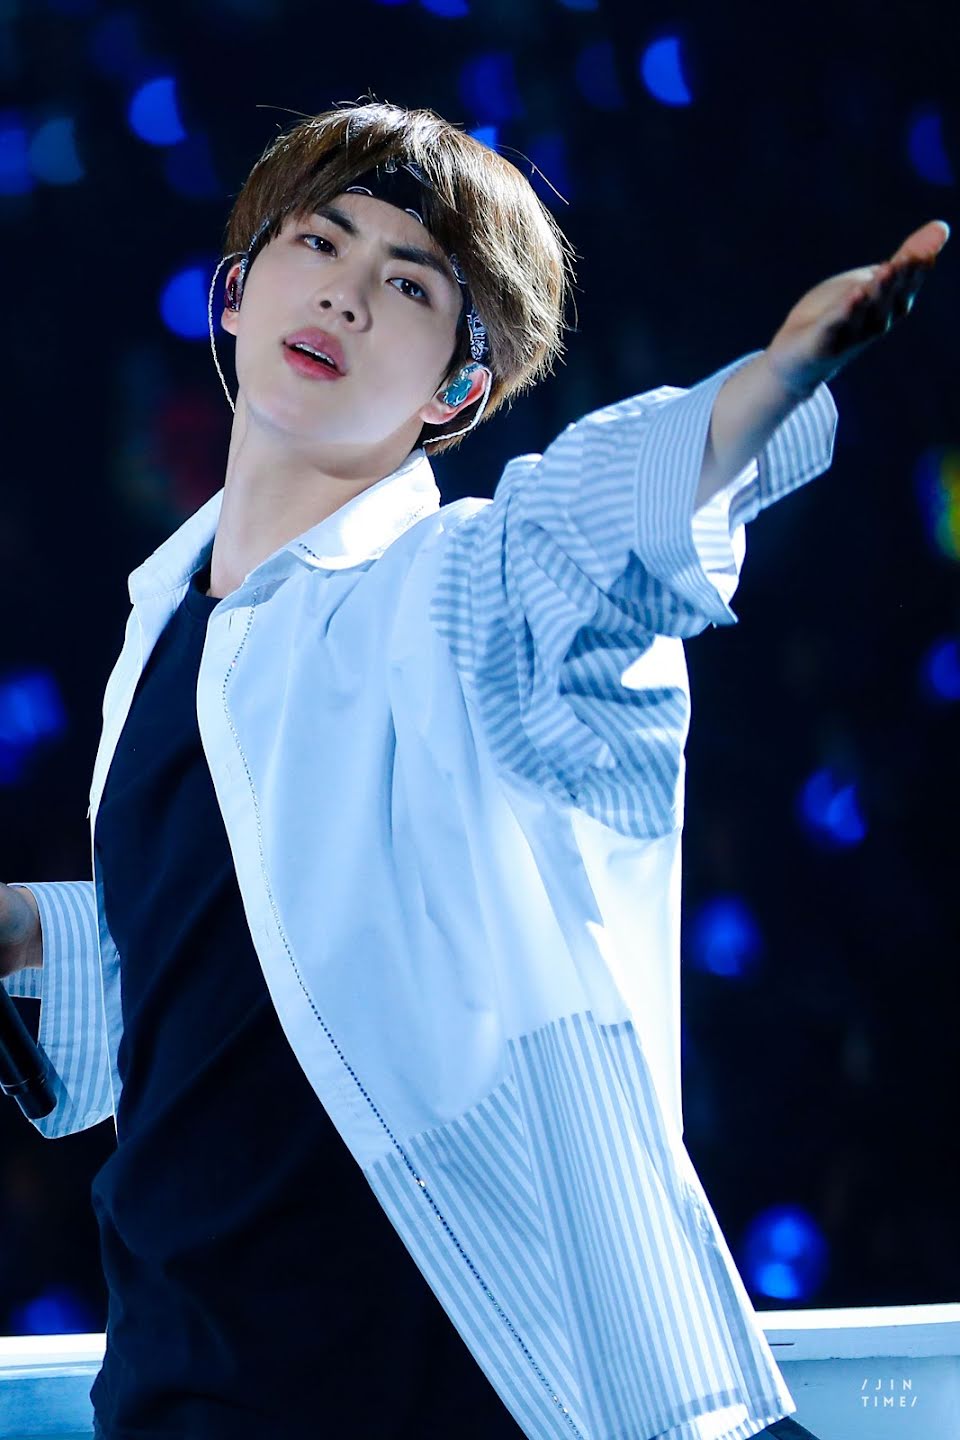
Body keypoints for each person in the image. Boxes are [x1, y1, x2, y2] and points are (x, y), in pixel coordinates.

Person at [0, 97, 947, 1440]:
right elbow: (255, 960)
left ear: (456, 390)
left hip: (420, 1373)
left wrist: (765, 389)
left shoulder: (444, 593)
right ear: (236, 291)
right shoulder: (167, 626)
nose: (345, 295)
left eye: (408, 285)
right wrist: (32, 932)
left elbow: (577, 534)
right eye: (320, 243)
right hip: (184, 1364)